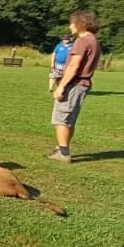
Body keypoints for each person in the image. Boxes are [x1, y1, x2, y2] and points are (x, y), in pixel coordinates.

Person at [48, 10, 101, 163]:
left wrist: (61, 86)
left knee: (61, 119)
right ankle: (61, 147)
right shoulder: (94, 40)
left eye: (72, 22)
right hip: (82, 84)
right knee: (69, 119)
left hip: (75, 83)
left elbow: (73, 66)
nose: (70, 26)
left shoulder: (82, 41)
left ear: (81, 23)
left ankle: (63, 153)